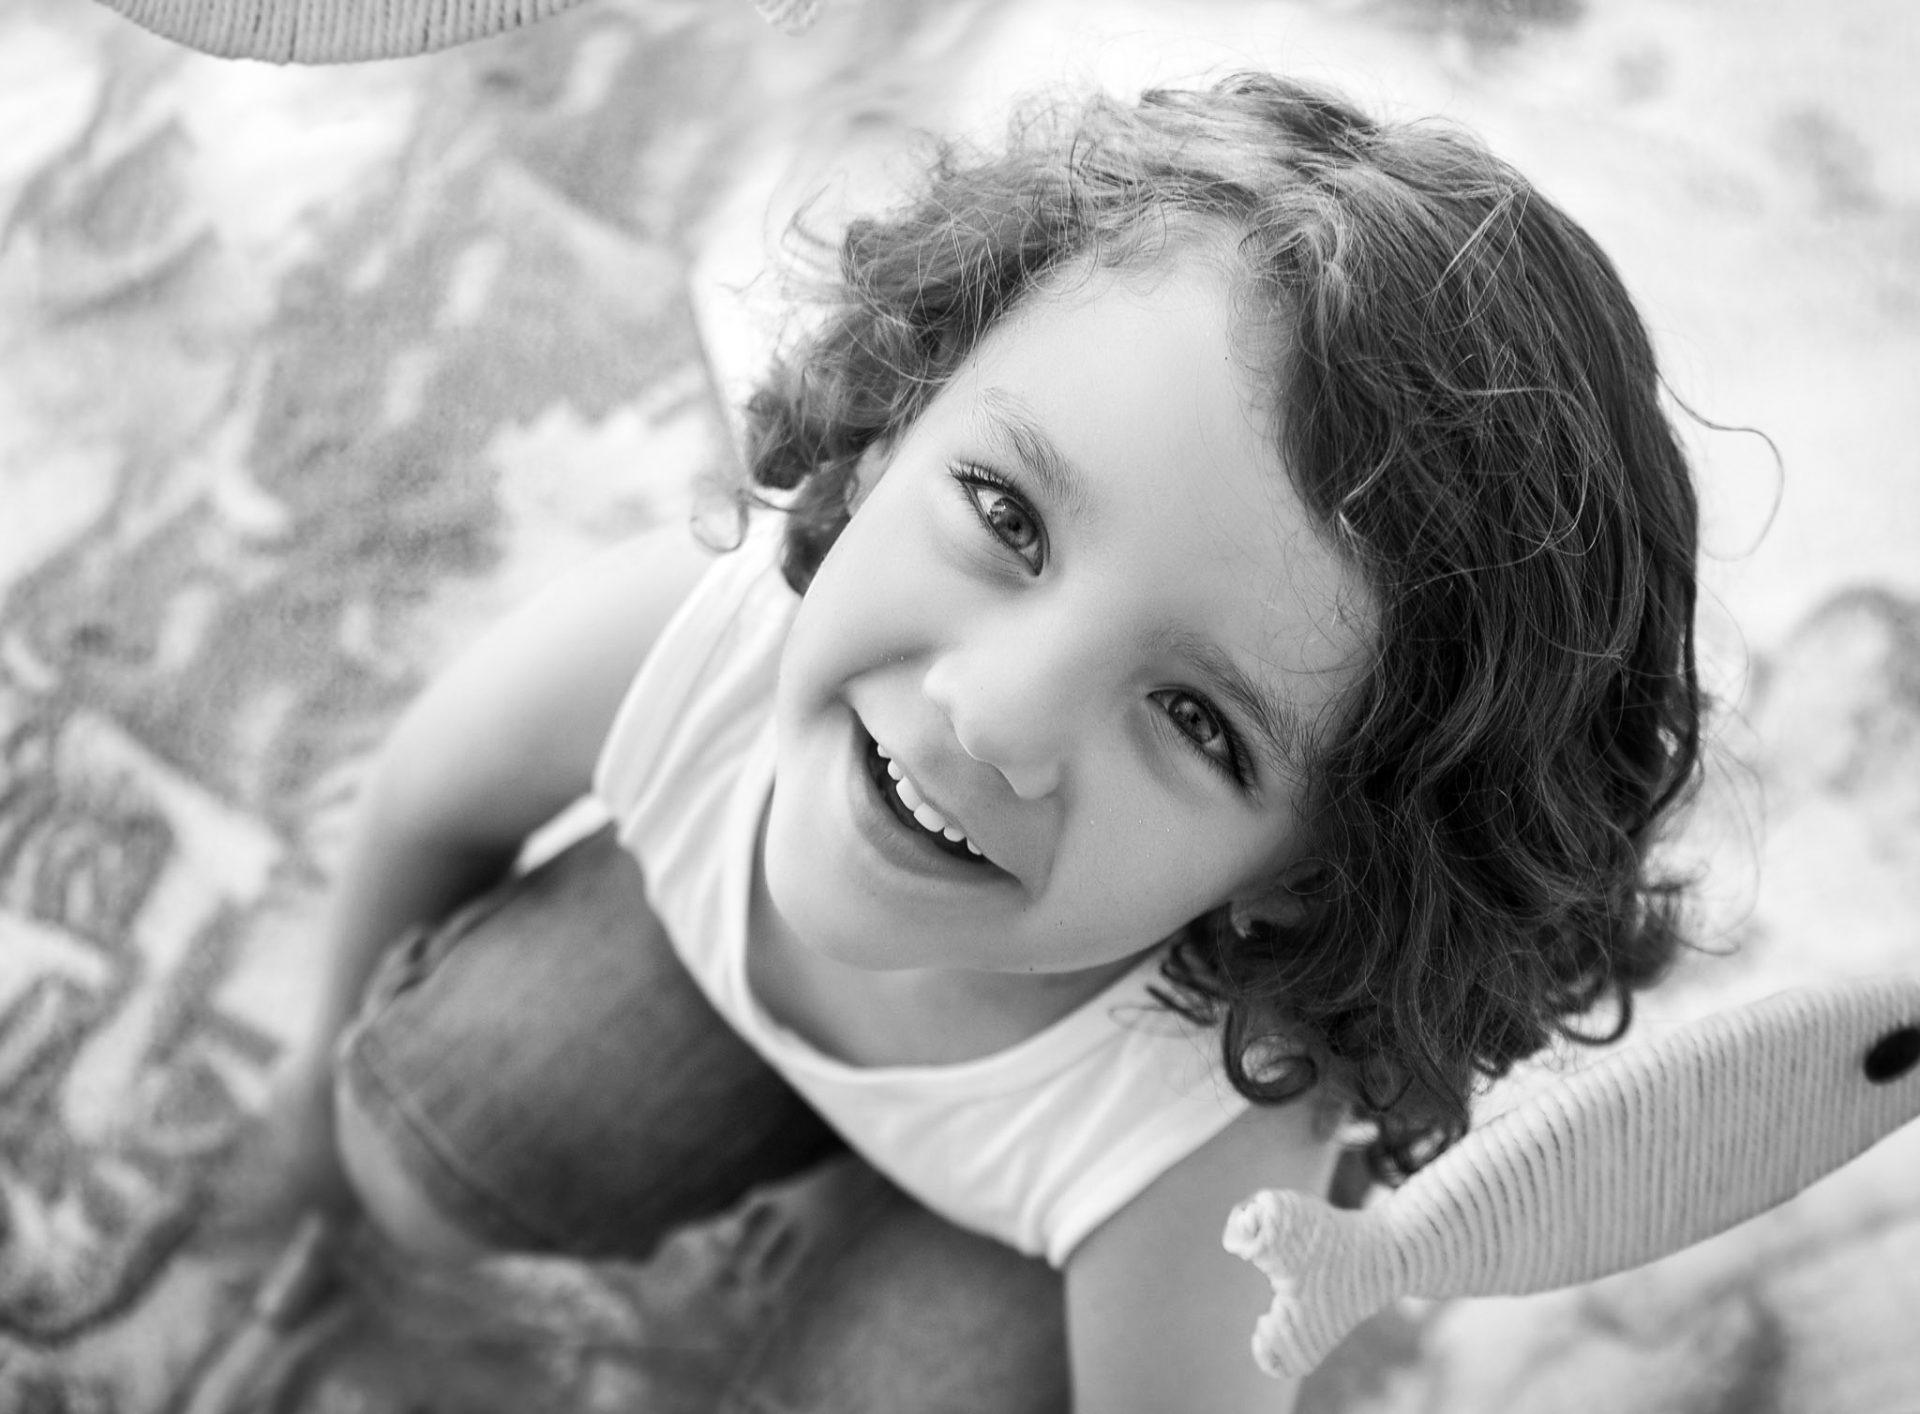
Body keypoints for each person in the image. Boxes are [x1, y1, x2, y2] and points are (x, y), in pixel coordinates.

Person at [256, 72, 1705, 1414]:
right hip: (718, 993)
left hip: (1037, 1226)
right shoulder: (700, 639)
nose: (994, 717)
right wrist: (311, 1103)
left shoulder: (1204, 1140)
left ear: (1313, 878)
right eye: (1008, 514)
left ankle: (873, 1234)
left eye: (1198, 721)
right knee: (422, 1136)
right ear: (899, 417)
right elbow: (425, 802)